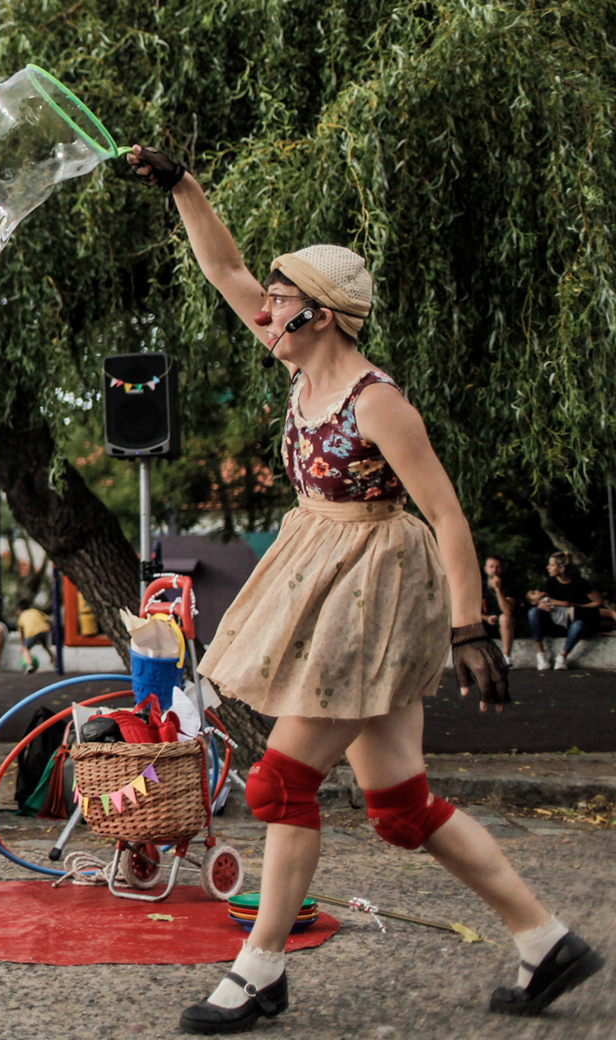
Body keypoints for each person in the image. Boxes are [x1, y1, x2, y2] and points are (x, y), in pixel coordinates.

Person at [130, 143, 598, 1030]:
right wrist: (183, 186)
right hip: (323, 563)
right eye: (270, 299)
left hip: (372, 586)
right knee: (400, 807)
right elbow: (223, 266)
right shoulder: (295, 361)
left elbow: (448, 514)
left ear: (326, 313)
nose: (264, 308)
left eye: (281, 298)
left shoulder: (377, 401)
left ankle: (260, 971)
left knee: (278, 786)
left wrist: (470, 627)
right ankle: (546, 942)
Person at [529, 552, 601, 670]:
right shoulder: (550, 583)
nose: (548, 568)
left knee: (579, 625)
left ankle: (562, 656)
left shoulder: (579, 583)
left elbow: (598, 602)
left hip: (573, 621)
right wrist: (541, 605)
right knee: (533, 612)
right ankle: (541, 654)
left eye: (552, 565)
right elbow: (543, 600)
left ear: (562, 568)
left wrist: (577, 607)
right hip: (555, 621)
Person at [476, 557, 515, 707]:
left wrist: (498, 590)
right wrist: (486, 618)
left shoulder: (508, 586)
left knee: (505, 618)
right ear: (486, 569)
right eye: (491, 567)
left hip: (504, 624)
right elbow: (471, 611)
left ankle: (506, 657)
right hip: (487, 622)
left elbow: (508, 610)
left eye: (498, 567)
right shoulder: (480, 587)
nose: (495, 570)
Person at [16, 598, 52, 673]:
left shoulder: (22, 616)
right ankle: (55, 661)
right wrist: (50, 628)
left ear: (19, 610)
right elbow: (49, 619)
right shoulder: (36, 611)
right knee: (46, 647)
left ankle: (29, 665)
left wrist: (23, 645)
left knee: (26, 649)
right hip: (44, 630)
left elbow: (21, 633)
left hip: (31, 632)